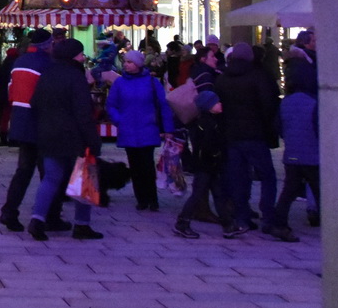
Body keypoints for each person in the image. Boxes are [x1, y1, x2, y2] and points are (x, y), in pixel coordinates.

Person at [27, 37, 103, 240]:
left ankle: (37, 219)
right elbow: (82, 112)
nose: (82, 57)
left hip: (48, 134)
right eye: (80, 54)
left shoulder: (47, 74)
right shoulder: (76, 77)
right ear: (72, 56)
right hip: (73, 137)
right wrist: (93, 140)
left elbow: (34, 103)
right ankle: (82, 224)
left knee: (51, 179)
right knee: (85, 177)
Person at [215, 42, 281, 237]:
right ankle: (268, 216)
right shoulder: (258, 76)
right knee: (267, 176)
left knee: (239, 177)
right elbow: (269, 104)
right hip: (255, 134)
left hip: (232, 135)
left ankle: (242, 216)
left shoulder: (223, 78)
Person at [105, 49, 174, 210]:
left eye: (129, 62)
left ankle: (152, 198)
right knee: (135, 166)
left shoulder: (152, 82)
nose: (126, 65)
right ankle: (141, 198)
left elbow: (163, 105)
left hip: (147, 129)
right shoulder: (120, 83)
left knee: (147, 165)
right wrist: (119, 120)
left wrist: (168, 128)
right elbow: (111, 105)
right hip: (128, 130)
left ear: (138, 64)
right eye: (125, 62)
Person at [0, 29, 54, 231]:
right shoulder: (47, 64)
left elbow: (11, 92)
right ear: (47, 45)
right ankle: (47, 215)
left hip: (21, 121)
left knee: (23, 171)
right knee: (48, 173)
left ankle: (9, 210)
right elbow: (49, 96)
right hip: (40, 123)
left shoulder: (19, 62)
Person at [268, 62, 319, 239]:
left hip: (292, 154)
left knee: (289, 191)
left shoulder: (286, 102)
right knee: (320, 191)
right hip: (312, 155)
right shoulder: (314, 102)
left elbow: (279, 127)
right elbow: (319, 128)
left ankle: (279, 223)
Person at [173, 89, 233, 238]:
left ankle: (228, 225)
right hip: (205, 166)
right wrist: (216, 155)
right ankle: (182, 222)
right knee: (198, 194)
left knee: (218, 194)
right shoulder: (205, 123)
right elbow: (208, 145)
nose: (220, 104)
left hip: (211, 165)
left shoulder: (213, 120)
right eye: (216, 102)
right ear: (208, 106)